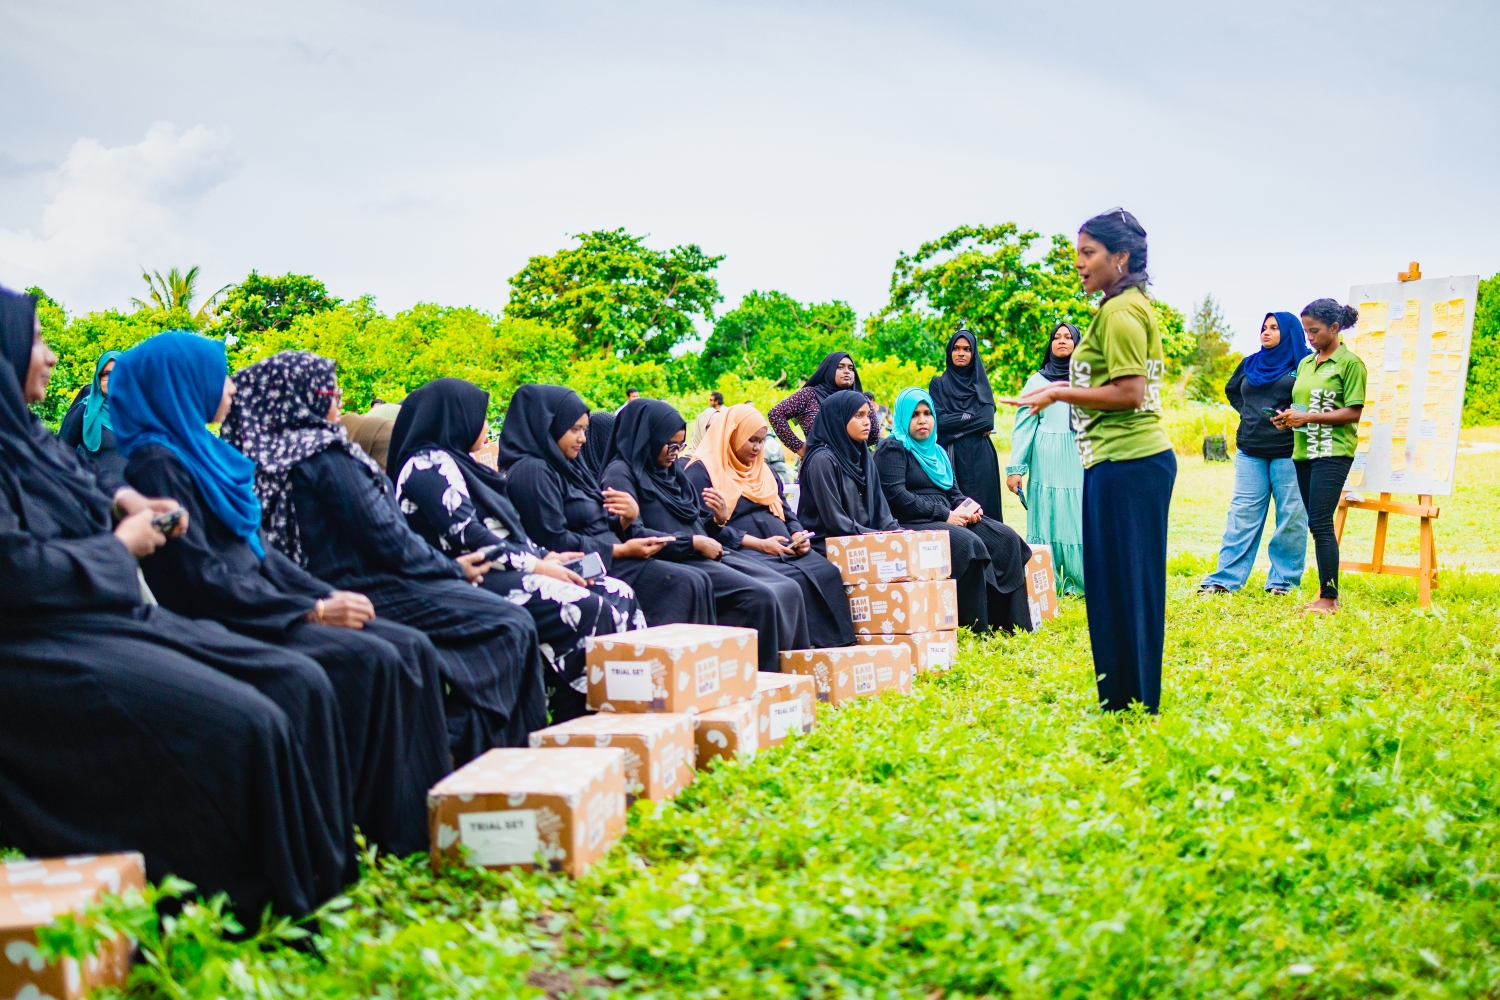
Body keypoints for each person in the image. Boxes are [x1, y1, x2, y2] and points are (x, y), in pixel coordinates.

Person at [0, 289, 353, 920]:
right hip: (39, 651)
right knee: (248, 720)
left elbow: (72, 488)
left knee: (294, 683)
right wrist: (120, 547)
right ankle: (237, 908)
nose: (51, 358)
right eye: (35, 343)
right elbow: (16, 569)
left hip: (98, 621)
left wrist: (120, 505)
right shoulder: (154, 455)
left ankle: (310, 878)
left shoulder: (21, 434)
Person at [112, 332, 450, 858]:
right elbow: (200, 579)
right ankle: (359, 833)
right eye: (218, 375)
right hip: (229, 618)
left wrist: (324, 596)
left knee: (407, 645)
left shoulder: (203, 452)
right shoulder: (157, 465)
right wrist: (309, 611)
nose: (229, 387)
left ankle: (419, 820)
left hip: (263, 599)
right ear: (182, 383)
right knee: (369, 660)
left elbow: (263, 555)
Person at [221, 351, 546, 764]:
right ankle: (478, 756)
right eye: (330, 392)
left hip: (334, 582)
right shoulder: (324, 456)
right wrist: (451, 568)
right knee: (509, 624)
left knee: (499, 624)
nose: (338, 401)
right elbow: (386, 537)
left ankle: (478, 757)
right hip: (366, 585)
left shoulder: (264, 455)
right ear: (302, 398)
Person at [388, 378, 645, 722]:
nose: (484, 424)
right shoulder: (427, 464)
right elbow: (471, 536)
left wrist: (544, 556)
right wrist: (537, 567)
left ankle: (634, 707)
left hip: (505, 567)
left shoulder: (460, 462)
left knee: (618, 591)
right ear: (456, 418)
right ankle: (580, 719)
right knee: (583, 605)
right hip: (467, 577)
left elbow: (506, 531)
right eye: (478, 415)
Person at [1005, 208, 1175, 714]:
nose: (1078, 263)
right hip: (1118, 463)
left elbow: (1129, 392)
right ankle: (1125, 698)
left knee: (1127, 588)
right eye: (1077, 252)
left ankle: (1133, 701)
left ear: (1119, 256)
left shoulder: (1120, 314)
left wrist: (1058, 391)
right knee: (1118, 587)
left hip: (1129, 463)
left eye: (1088, 253)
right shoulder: (1125, 305)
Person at [602, 399, 803, 670]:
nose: (676, 453)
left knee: (788, 587)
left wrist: (718, 521)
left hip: (701, 552)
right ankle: (758, 675)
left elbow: (695, 522)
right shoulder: (621, 474)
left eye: (680, 445)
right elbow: (634, 534)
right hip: (675, 557)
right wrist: (692, 543)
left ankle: (796, 668)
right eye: (670, 445)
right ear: (645, 439)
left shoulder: (669, 471)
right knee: (760, 597)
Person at [499, 384, 715, 629]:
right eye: (574, 430)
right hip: (580, 565)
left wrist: (625, 518)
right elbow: (554, 542)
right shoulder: (532, 471)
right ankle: (663, 663)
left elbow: (594, 524)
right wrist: (621, 550)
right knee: (685, 583)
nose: (582, 438)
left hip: (607, 557)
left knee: (697, 580)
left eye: (584, 430)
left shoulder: (569, 467)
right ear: (547, 426)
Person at [682, 404, 854, 648]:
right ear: (732, 436)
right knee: (790, 581)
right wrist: (760, 545)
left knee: (827, 572)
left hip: (783, 545)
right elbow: (705, 526)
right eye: (751, 440)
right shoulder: (702, 472)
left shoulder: (763, 469)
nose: (757, 448)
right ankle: (800, 650)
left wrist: (796, 532)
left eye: (761, 441)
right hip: (743, 550)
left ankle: (836, 646)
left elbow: (783, 508)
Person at [876, 388, 1033, 634]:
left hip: (948, 515)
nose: (922, 420)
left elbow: (953, 492)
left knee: (1007, 538)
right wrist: (945, 514)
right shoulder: (893, 448)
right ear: (903, 417)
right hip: (912, 520)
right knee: (970, 545)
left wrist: (968, 508)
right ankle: (976, 627)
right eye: (914, 414)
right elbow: (897, 497)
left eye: (927, 413)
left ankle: (1011, 623)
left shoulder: (937, 451)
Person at [1198, 312, 1310, 596]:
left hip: (1289, 452)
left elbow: (1311, 399)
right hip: (1250, 450)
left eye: (1274, 328)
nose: (1266, 332)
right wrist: (1249, 414)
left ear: (1290, 333)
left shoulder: (1305, 365)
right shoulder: (1250, 363)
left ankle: (1282, 582)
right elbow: (1232, 391)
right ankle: (1224, 579)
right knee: (1242, 515)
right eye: (1264, 327)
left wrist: (1293, 415)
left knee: (1290, 517)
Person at [1271, 299, 1366, 615]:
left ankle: (1329, 598)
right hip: (1303, 452)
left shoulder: (1350, 364)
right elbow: (1303, 405)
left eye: (1314, 331)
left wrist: (1308, 418)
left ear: (1335, 328)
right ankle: (1325, 594)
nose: (1309, 337)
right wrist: (1288, 418)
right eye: (1306, 331)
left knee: (1321, 522)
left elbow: (1353, 412)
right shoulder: (1306, 364)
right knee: (1316, 523)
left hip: (1333, 453)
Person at [1006, 323, 1085, 595]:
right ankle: (1048, 580)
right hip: (1045, 460)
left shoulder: (1089, 379)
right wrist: (1016, 468)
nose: (1061, 341)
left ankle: (1080, 581)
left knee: (1076, 516)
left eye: (1068, 337)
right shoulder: (1036, 381)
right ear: (1050, 344)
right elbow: (1024, 427)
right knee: (1047, 514)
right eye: (1056, 337)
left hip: (1078, 458)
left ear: (1077, 343)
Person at [795, 388, 900, 548]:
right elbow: (836, 522)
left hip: (867, 539)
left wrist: (897, 533)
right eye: (858, 416)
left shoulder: (863, 455)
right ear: (839, 419)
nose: (867, 422)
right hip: (829, 545)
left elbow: (882, 511)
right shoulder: (822, 460)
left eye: (867, 415)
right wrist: (879, 537)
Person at [929, 330, 1004, 524]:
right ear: (949, 352)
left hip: (981, 456)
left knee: (986, 513)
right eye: (956, 348)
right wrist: (971, 418)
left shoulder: (980, 383)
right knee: (956, 511)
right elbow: (940, 422)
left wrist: (956, 428)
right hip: (951, 455)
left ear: (973, 354)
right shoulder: (937, 384)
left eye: (967, 349)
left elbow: (987, 420)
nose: (961, 353)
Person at [768, 352, 879, 458]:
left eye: (850, 368)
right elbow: (775, 414)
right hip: (818, 466)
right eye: (840, 367)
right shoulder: (809, 395)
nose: (847, 371)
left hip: (853, 466)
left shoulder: (859, 399)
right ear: (828, 370)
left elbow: (874, 434)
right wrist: (799, 447)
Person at [58, 350, 128, 486]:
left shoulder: (138, 413)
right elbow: (60, 453)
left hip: (136, 500)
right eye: (106, 374)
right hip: (98, 498)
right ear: (98, 377)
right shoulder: (84, 411)